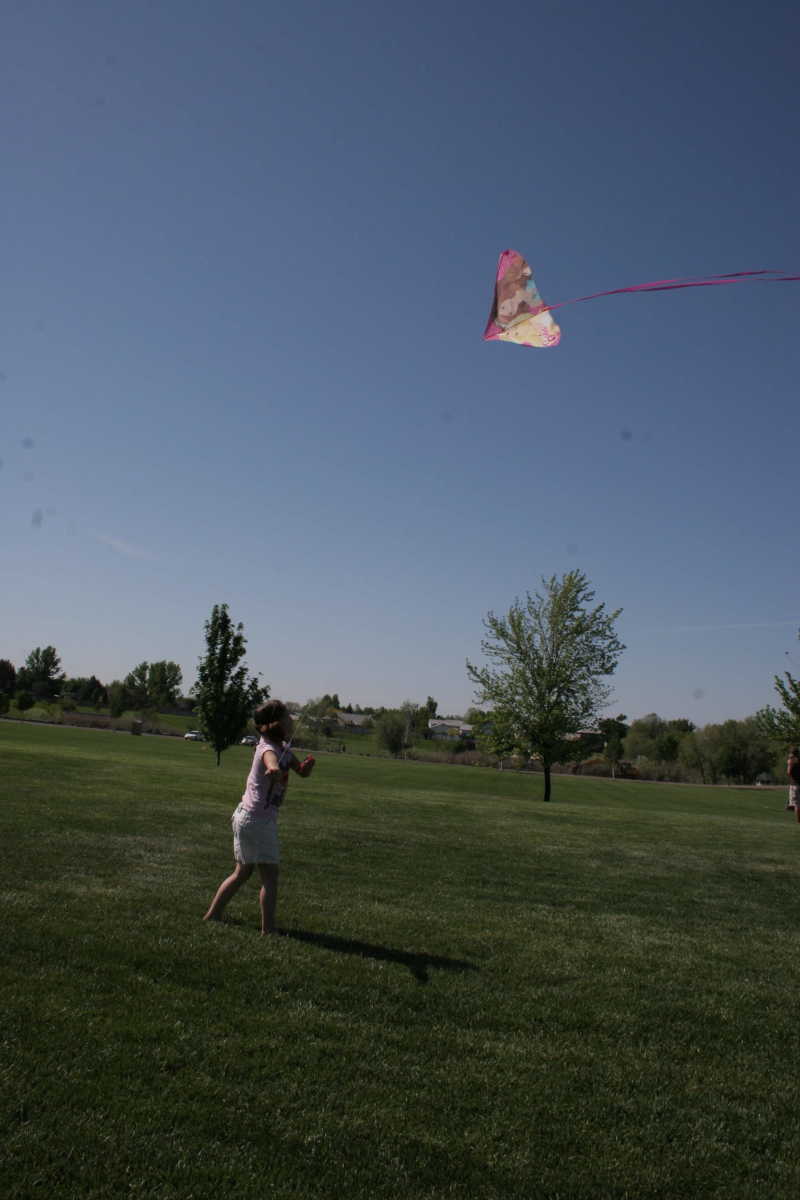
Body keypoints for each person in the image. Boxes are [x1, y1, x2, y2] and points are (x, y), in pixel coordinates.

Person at [203, 699, 315, 934]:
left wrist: (306, 767)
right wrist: (273, 770)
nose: (291, 720)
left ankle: (213, 915)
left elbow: (301, 772)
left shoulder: (283, 749)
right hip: (257, 821)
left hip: (247, 816)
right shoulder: (268, 749)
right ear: (276, 724)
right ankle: (268, 930)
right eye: (287, 717)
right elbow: (271, 762)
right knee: (270, 877)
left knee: (242, 873)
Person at [787, 748, 800, 821]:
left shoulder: (791, 761)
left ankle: (799, 821)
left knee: (797, 804)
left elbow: (788, 772)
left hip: (794, 784)